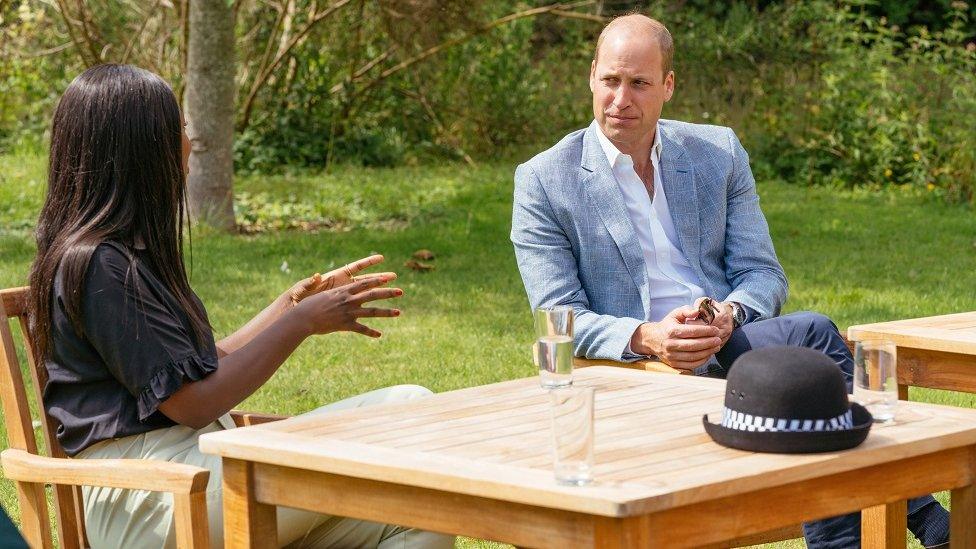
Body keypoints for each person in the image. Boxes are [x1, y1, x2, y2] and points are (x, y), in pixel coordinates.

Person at [510, 13, 948, 549]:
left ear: (668, 86)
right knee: (814, 349)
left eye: (640, 83)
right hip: (637, 361)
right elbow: (556, 317)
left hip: (730, 339)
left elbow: (762, 272)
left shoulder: (717, 152)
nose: (621, 98)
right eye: (610, 80)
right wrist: (647, 336)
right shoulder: (544, 179)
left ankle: (899, 524)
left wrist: (728, 315)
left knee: (810, 340)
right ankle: (919, 516)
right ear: (591, 77)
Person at [27, 64, 454, 549]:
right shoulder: (99, 265)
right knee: (409, 416)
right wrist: (299, 324)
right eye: (180, 127)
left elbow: (198, 372)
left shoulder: (124, 255)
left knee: (419, 502)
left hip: (193, 468)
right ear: (142, 147)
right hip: (149, 496)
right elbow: (194, 404)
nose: (190, 140)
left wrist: (288, 304)